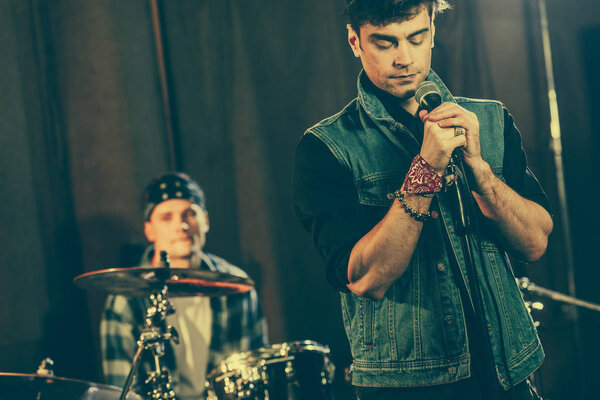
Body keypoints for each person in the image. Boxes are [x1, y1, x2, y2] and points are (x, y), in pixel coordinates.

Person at [293, 0, 553, 399]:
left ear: (432, 29)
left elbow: (535, 242)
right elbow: (365, 278)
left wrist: (481, 173)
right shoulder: (327, 147)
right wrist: (425, 170)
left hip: (508, 374)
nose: (405, 58)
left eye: (417, 38)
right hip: (407, 386)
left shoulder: (490, 119)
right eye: (385, 43)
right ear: (355, 42)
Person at [101, 172, 268, 399]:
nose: (181, 225)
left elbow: (259, 375)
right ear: (148, 229)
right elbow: (124, 390)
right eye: (167, 217)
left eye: (190, 214)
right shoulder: (125, 298)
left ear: (206, 221)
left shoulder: (237, 286)